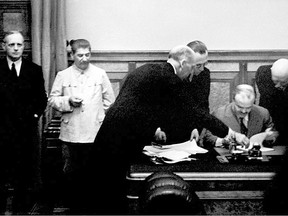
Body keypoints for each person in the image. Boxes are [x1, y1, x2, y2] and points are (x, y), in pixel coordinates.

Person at [82, 45, 249, 214]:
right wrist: (231, 133)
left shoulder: (149, 69)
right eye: (192, 68)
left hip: (110, 135)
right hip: (120, 143)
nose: (193, 74)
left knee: (102, 191)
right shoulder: (169, 78)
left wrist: (153, 129)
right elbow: (194, 112)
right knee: (110, 195)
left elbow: (138, 106)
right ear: (183, 63)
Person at [48, 39, 115, 211]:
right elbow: (53, 100)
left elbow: (110, 102)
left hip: (95, 132)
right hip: (72, 131)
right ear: (72, 55)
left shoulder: (100, 74)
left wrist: (100, 116)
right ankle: (74, 208)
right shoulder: (63, 75)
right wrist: (68, 101)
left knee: (93, 172)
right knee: (72, 172)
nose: (84, 59)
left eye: (87, 55)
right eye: (80, 55)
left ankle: (92, 207)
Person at [0, 31, 47, 214]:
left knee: (24, 173)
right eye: (11, 45)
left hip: (26, 130)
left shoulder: (34, 69)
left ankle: (21, 210)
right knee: (2, 171)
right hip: (2, 131)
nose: (16, 48)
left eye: (19, 44)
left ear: (23, 46)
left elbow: (41, 99)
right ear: (4, 46)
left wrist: (34, 116)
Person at [203, 84, 278, 148]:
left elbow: (273, 132)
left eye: (248, 107)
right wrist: (223, 141)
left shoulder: (263, 113)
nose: (244, 111)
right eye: (240, 107)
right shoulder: (219, 114)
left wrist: (270, 136)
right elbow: (207, 137)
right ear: (233, 100)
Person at [255, 58, 288, 145]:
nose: (277, 85)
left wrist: (280, 132)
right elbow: (266, 103)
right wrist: (269, 126)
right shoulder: (263, 74)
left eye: (283, 82)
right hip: (270, 115)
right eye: (275, 81)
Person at [183, 40, 210, 113]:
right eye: (198, 65)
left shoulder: (205, 74)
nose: (202, 69)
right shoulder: (175, 75)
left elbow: (204, 106)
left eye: (205, 64)